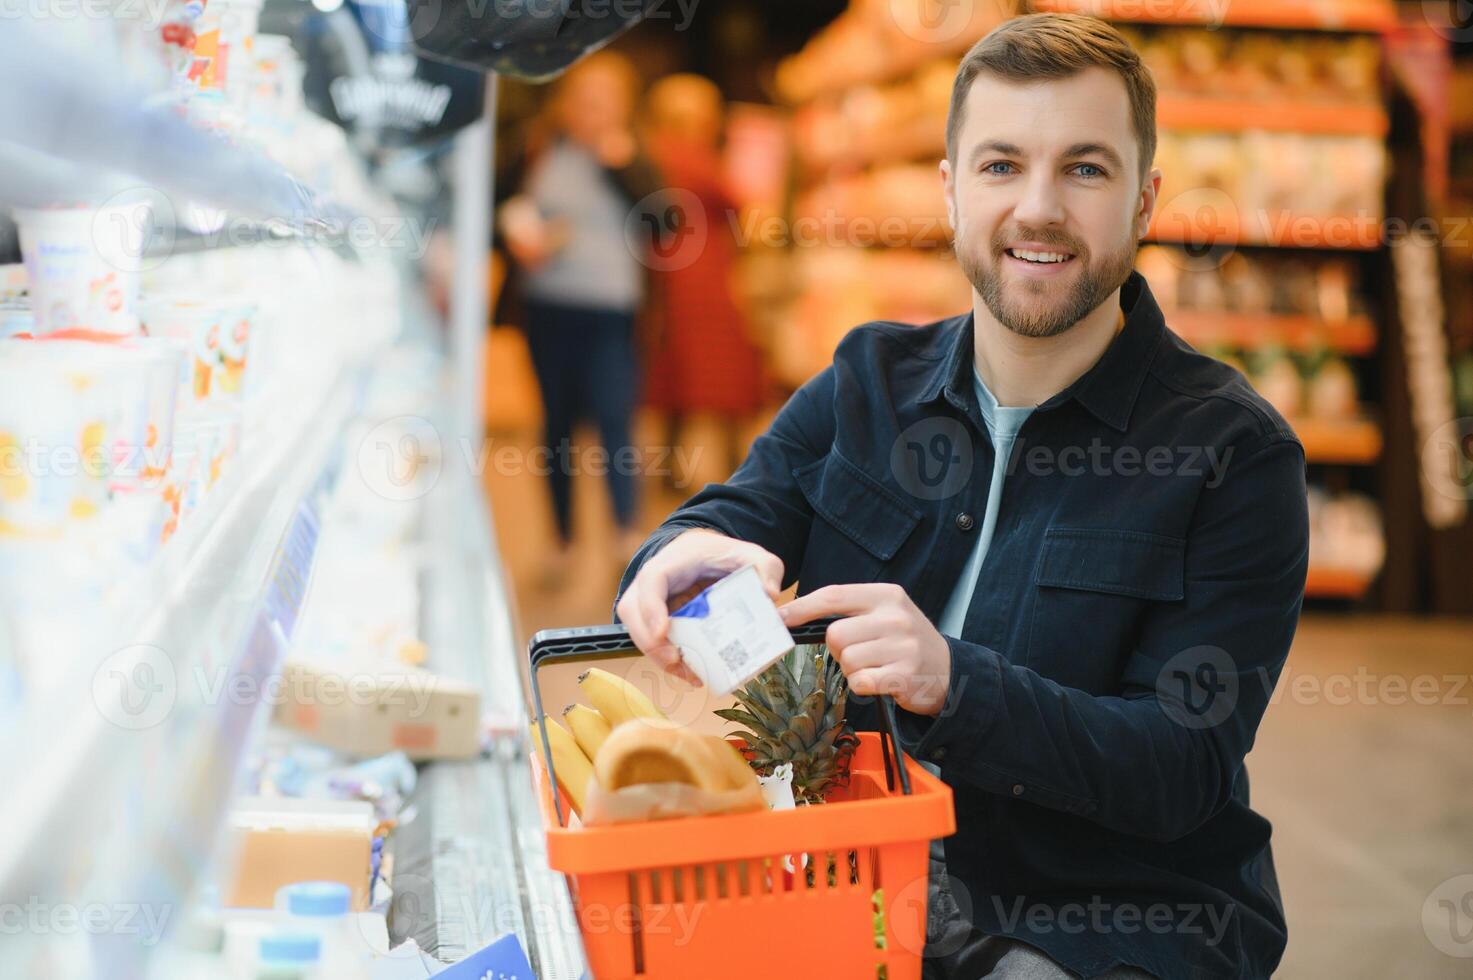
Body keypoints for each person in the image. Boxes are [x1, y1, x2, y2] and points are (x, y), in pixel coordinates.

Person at [616, 14, 1306, 980]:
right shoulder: (867, 379)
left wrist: (954, 680)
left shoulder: (1233, 454)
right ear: (948, 191)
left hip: (1091, 922)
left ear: (1145, 200)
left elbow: (1178, 770)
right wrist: (678, 556)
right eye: (998, 166)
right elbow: (734, 514)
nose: (1038, 207)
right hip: (843, 880)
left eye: (1085, 169)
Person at [499, 51, 655, 585]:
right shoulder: (539, 147)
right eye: (584, 100)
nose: (592, 111)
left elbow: (665, 224)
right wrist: (520, 235)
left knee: (616, 419)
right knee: (557, 424)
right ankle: (562, 539)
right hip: (548, 306)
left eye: (603, 102)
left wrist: (623, 165)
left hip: (611, 308)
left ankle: (626, 533)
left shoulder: (631, 156)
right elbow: (501, 202)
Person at [640, 73, 765, 487]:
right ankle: (736, 464)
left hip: (668, 271)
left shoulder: (652, 153)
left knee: (675, 370)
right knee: (725, 371)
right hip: (703, 278)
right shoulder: (690, 156)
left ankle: (669, 468)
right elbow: (735, 199)